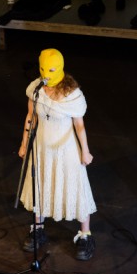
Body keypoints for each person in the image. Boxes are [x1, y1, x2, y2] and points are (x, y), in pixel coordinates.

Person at [18, 48, 96, 260]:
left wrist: (85, 151)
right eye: (44, 68)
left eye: (51, 69)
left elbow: (79, 126)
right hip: (42, 149)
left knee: (75, 189)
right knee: (39, 186)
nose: (46, 73)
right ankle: (38, 229)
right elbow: (30, 117)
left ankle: (85, 235)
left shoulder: (72, 94)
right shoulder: (36, 89)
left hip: (66, 149)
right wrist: (24, 143)